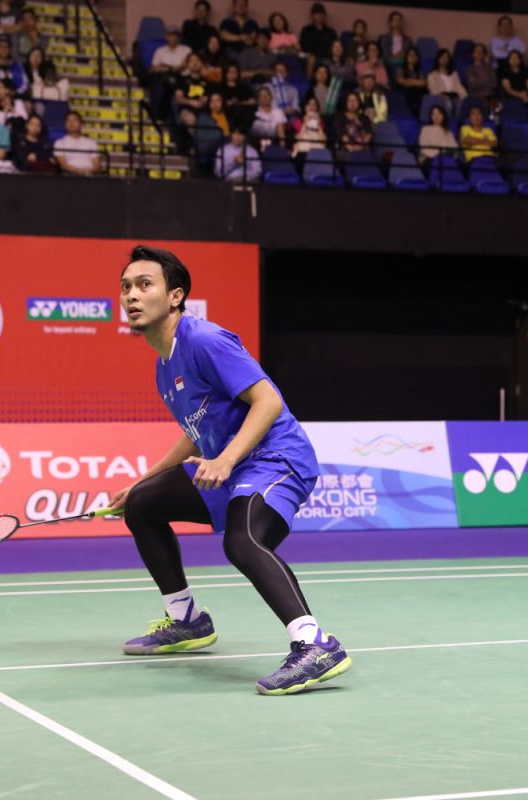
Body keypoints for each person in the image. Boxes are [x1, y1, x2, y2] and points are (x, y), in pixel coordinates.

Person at [111, 246, 351, 696]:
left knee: (242, 541)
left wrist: (224, 460)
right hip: (232, 466)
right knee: (143, 504)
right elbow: (193, 433)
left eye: (145, 285)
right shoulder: (164, 366)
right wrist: (141, 482)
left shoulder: (205, 340)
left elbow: (268, 401)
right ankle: (187, 621)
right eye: (126, 286)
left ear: (176, 296)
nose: (131, 295)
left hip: (276, 458)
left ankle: (314, 645)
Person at [53, 110, 101, 176]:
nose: (71, 123)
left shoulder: (91, 142)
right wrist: (79, 171)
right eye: (68, 120)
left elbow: (97, 164)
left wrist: (89, 171)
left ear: (81, 124)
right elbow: (63, 165)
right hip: (70, 176)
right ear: (65, 125)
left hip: (89, 175)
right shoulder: (59, 143)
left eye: (75, 120)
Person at [173, 53, 210, 129]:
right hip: (187, 109)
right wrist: (191, 102)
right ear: (187, 65)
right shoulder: (182, 80)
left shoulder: (207, 81)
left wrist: (205, 100)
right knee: (190, 119)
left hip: (205, 110)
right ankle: (198, 140)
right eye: (191, 61)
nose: (194, 63)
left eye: (197, 60)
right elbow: (178, 98)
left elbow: (211, 96)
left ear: (201, 63)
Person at [299, 3, 337, 74]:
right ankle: (309, 82)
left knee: (330, 63)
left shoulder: (331, 32)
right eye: (317, 13)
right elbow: (303, 45)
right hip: (310, 57)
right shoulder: (306, 30)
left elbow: (335, 46)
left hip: (327, 58)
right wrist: (309, 55)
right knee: (311, 60)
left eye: (322, 14)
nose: (319, 16)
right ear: (312, 16)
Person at [332, 91, 372, 155]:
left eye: (355, 100)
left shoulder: (364, 118)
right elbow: (342, 135)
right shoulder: (339, 118)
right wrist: (352, 149)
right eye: (349, 100)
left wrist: (360, 147)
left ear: (359, 102)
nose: (352, 103)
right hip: (345, 151)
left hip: (363, 150)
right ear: (346, 102)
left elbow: (369, 134)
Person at [395, 46, 426, 115]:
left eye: (414, 55)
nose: (412, 57)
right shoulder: (400, 69)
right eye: (410, 55)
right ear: (406, 57)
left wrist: (408, 81)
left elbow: (423, 83)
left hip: (418, 94)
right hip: (405, 93)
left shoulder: (419, 71)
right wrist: (416, 82)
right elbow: (401, 81)